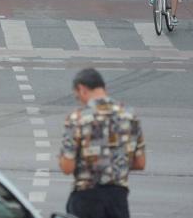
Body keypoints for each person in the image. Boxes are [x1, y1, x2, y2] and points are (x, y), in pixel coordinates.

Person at [59, 68, 145, 218]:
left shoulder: (77, 119)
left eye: (77, 96)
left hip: (86, 199)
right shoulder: (130, 116)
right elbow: (140, 163)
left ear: (82, 89)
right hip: (118, 199)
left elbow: (67, 167)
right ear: (103, 87)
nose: (79, 100)